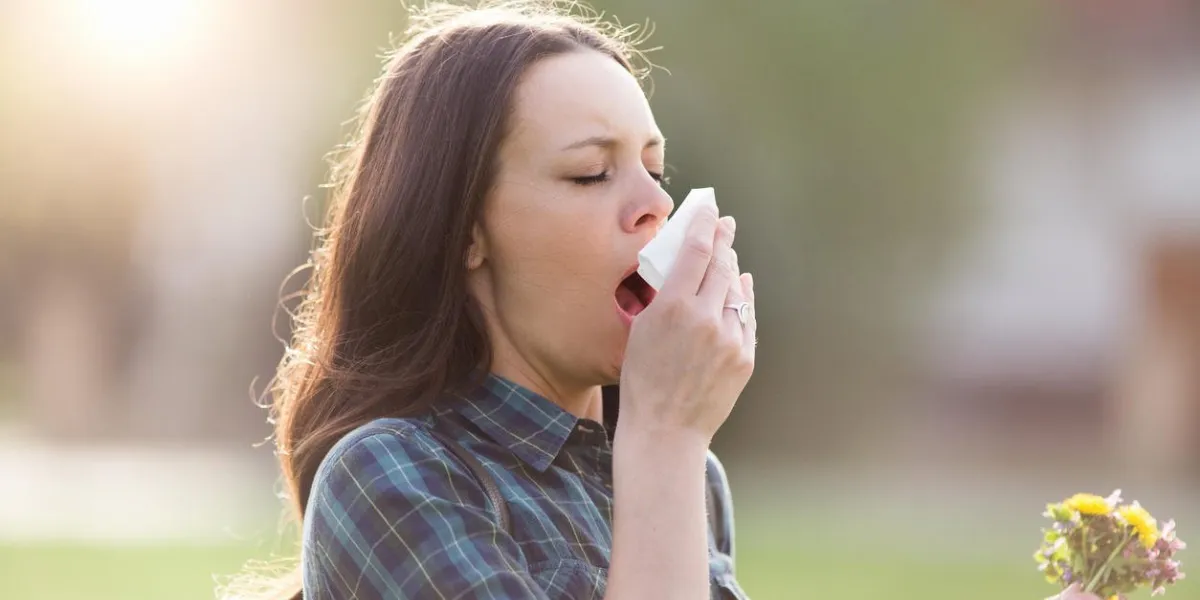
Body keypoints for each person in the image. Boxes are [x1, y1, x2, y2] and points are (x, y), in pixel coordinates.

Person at [250, 2, 757, 598]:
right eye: (591, 172)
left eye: (655, 170)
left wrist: (669, 447)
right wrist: (665, 439)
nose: (657, 204)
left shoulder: (692, 472)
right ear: (466, 230)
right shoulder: (392, 476)